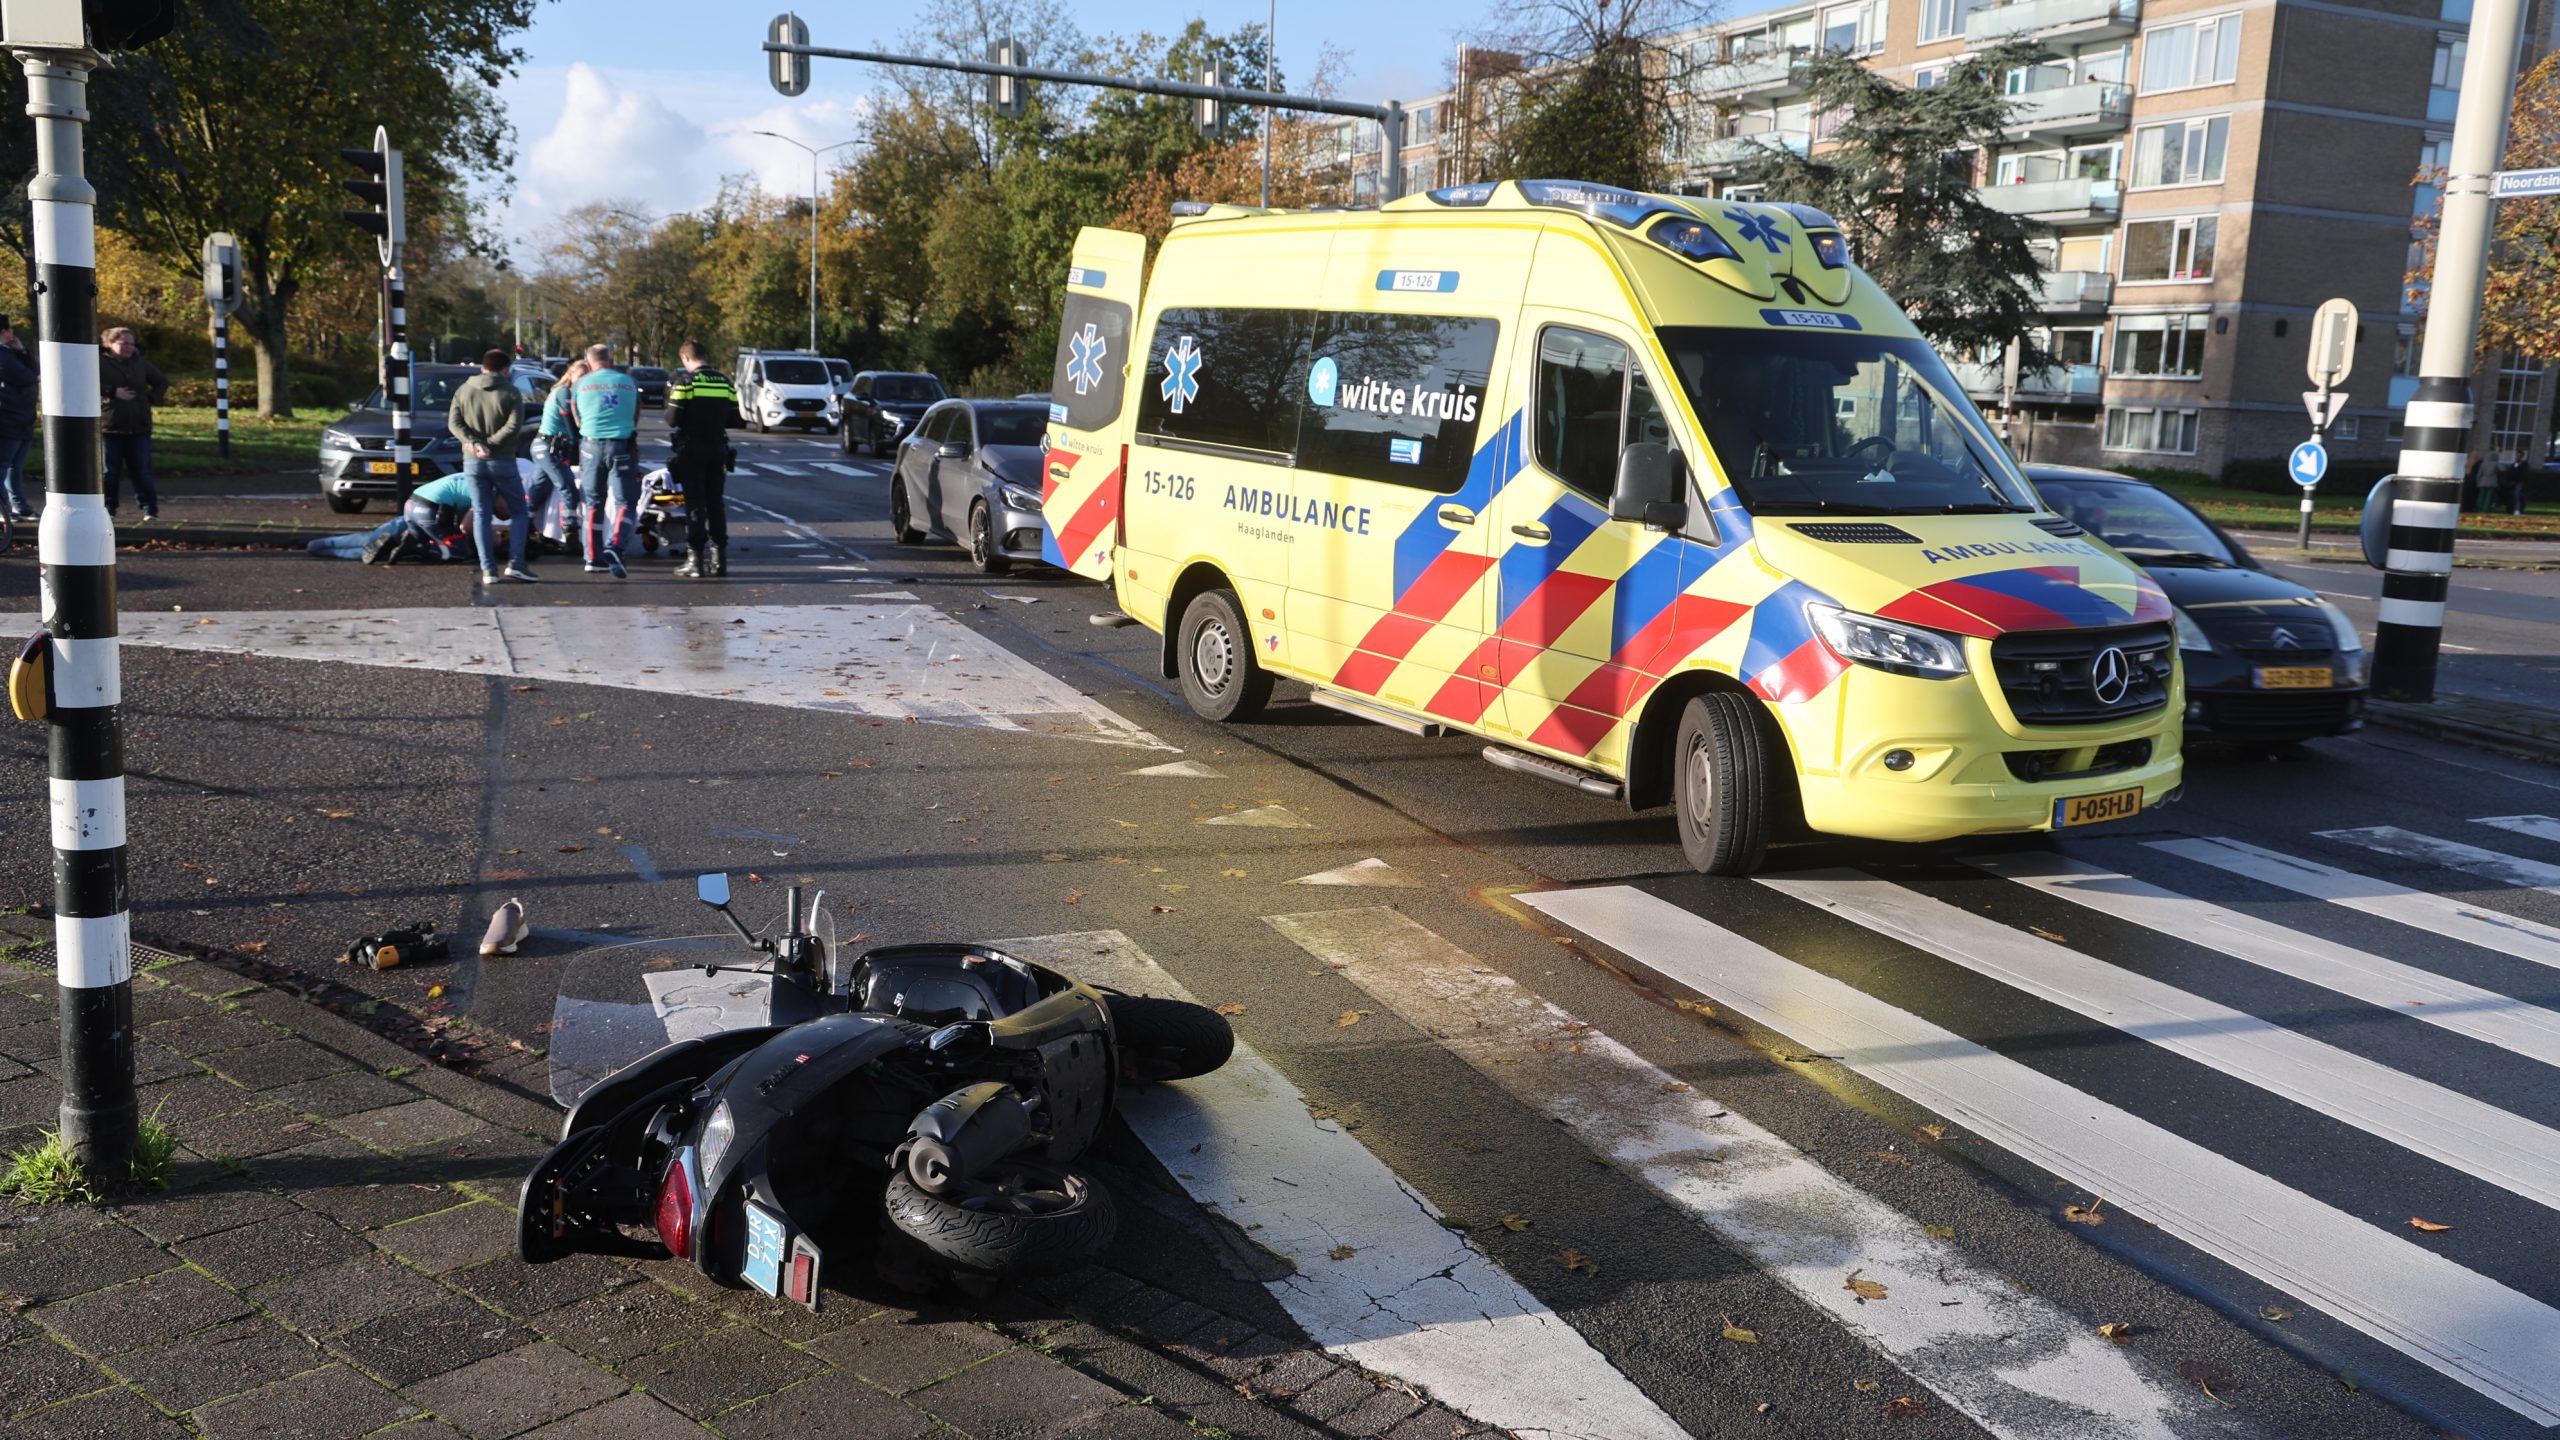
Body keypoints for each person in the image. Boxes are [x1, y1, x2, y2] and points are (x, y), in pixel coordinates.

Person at [448, 348, 536, 584]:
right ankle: (516, 563)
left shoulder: (464, 390)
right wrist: (490, 444)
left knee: (481, 514)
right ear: (506, 370)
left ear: (482, 367)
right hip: (503, 461)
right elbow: (513, 426)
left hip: (473, 462)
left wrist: (474, 443)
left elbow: (454, 423)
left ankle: (488, 570)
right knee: (518, 512)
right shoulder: (511, 392)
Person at [306, 470, 503, 563]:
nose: (504, 516)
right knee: (458, 552)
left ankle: (322, 545)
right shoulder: (487, 493)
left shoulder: (473, 478)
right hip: (432, 511)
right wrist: (495, 539)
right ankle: (415, 546)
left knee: (372, 541)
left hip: (414, 504)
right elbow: (466, 527)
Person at [664, 339, 736, 579]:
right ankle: (720, 561)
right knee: (715, 504)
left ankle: (695, 562)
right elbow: (735, 419)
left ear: (685, 358)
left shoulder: (686, 382)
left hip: (691, 449)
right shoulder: (725, 382)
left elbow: (672, 419)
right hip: (718, 448)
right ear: (706, 355)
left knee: (695, 505)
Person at [571, 343, 639, 577]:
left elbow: (576, 418)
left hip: (590, 445)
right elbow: (635, 415)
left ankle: (592, 557)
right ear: (611, 360)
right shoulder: (628, 382)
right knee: (625, 502)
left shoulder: (580, 384)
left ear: (588, 363)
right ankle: (615, 546)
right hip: (621, 445)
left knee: (593, 502)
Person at [98, 326, 168, 520]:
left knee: (142, 471)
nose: (128, 348)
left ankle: (149, 509)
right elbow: (85, 382)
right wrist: (111, 391)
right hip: (110, 426)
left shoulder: (140, 363)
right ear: (109, 343)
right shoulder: (98, 363)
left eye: (131, 343)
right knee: (109, 472)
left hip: (139, 426)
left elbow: (161, 381)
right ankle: (108, 508)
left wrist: (150, 399)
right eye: (123, 343)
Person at [531, 358, 586, 550]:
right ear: (570, 374)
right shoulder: (564, 393)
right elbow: (572, 428)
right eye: (580, 376)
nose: (582, 380)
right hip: (549, 447)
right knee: (569, 489)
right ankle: (570, 533)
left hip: (544, 447)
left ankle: (526, 529)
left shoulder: (561, 391)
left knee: (539, 490)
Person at [0, 317, 37, 523]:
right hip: (9, 417)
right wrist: (31, 372)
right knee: (4, 465)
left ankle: (20, 507)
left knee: (14, 466)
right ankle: (5, 510)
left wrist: (22, 350)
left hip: (21, 417)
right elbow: (28, 377)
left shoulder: (10, 353)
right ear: (5, 331)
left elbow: (34, 371)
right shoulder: (3, 356)